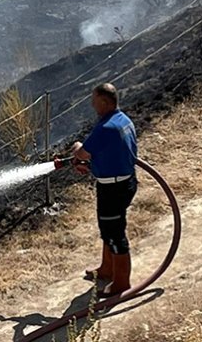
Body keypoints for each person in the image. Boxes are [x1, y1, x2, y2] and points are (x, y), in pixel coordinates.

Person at [71, 83, 138, 298]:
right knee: (108, 228)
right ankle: (107, 269)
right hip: (124, 182)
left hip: (113, 188)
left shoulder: (105, 127)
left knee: (115, 233)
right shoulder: (123, 120)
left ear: (105, 102)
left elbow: (82, 153)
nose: (92, 104)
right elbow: (114, 152)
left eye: (94, 100)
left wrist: (76, 148)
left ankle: (121, 283)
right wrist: (93, 165)